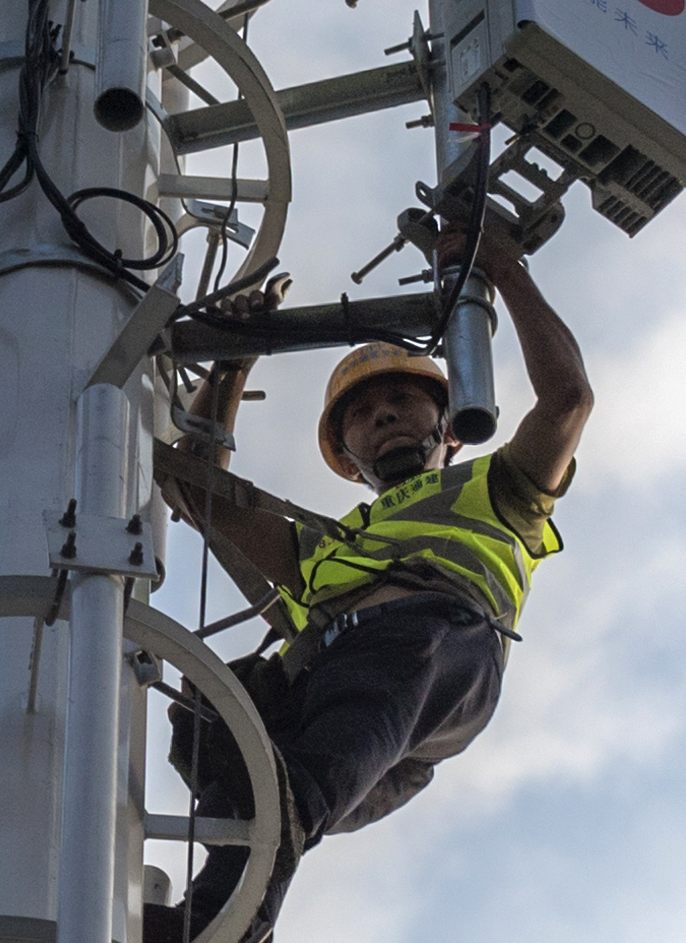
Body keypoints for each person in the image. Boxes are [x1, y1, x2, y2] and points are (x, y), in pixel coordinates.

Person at [151, 225, 593, 942]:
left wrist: (504, 271)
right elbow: (196, 490)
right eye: (359, 412)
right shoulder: (329, 549)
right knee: (219, 729)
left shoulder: (497, 489)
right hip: (351, 713)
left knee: (313, 763)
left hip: (433, 659)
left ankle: (225, 922)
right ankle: (211, 920)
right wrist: (231, 360)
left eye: (401, 399)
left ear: (449, 424)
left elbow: (567, 400)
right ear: (348, 455)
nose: (381, 413)